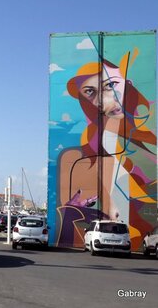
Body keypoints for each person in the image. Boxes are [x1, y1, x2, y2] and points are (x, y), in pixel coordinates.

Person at [56, 50, 156, 249]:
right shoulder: (82, 152)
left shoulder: (150, 144)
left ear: (128, 84)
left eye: (110, 85)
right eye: (90, 92)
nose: (102, 100)